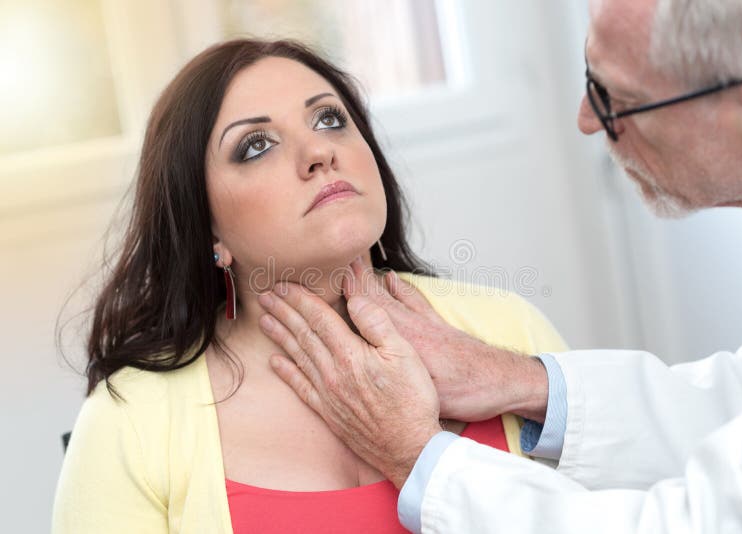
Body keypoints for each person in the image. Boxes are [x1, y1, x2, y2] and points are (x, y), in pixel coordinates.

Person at [259, 0, 742, 532]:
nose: (587, 121)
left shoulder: (504, 317)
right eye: (256, 145)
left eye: (616, 99)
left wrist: (417, 456)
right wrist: (521, 381)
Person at [52, 39, 568, 533]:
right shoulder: (130, 423)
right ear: (207, 227)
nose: (319, 151)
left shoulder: (509, 330)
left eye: (329, 118)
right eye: (256, 146)